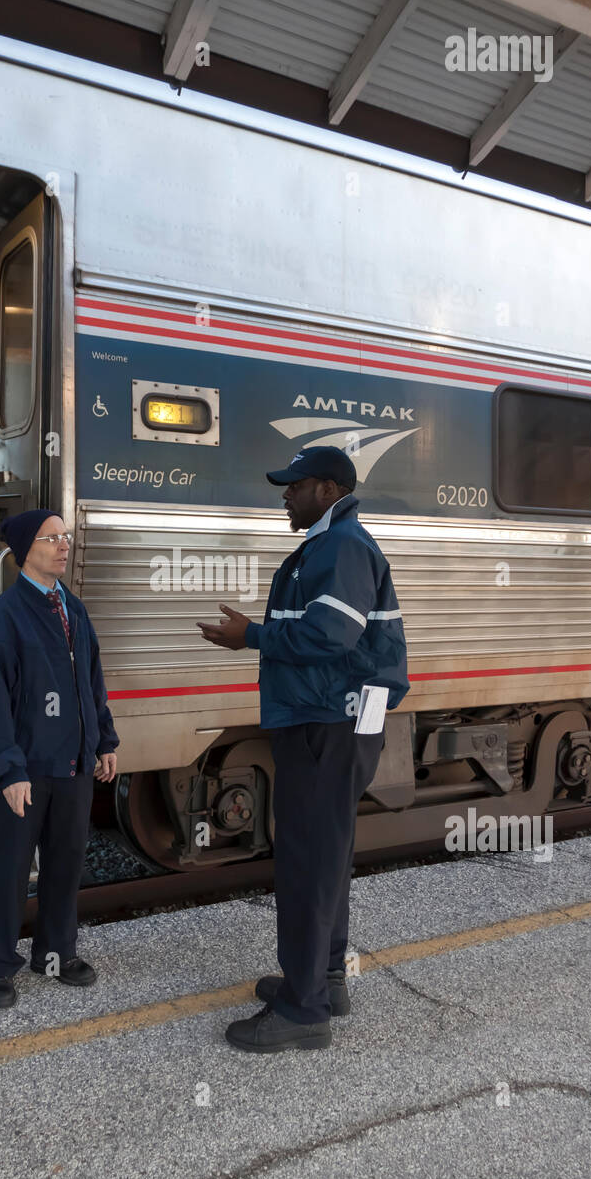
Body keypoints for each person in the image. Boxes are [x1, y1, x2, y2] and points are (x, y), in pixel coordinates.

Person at [198, 446, 409, 1052]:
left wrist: (252, 636)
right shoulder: (330, 543)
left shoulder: (342, 547)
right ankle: (325, 979)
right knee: (324, 857)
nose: (284, 495)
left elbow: (330, 634)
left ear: (325, 487)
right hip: (327, 721)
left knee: (307, 863)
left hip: (327, 723)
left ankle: (303, 1009)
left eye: (293, 486)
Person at [0, 508, 119, 1008]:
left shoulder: (71, 608)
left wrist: (105, 741)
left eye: (65, 536)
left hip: (73, 764)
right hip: (26, 769)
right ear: (22, 551)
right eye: (51, 538)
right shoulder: (1, 619)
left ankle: (55, 954)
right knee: (12, 865)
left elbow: (91, 683)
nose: (63, 545)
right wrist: (7, 769)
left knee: (66, 862)